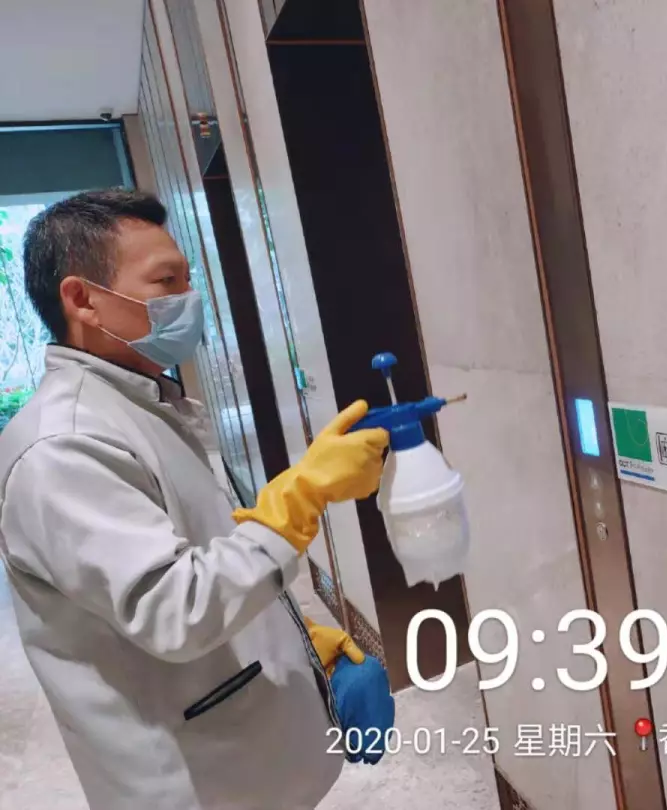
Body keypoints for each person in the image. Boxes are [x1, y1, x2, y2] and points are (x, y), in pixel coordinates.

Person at [0, 189, 389, 810]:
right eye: (167, 282)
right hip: (193, 785)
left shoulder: (140, 403)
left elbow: (196, 557)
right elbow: (175, 609)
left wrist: (292, 637)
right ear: (82, 300)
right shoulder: (62, 447)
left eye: (187, 279)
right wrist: (300, 500)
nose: (190, 299)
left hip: (248, 765)